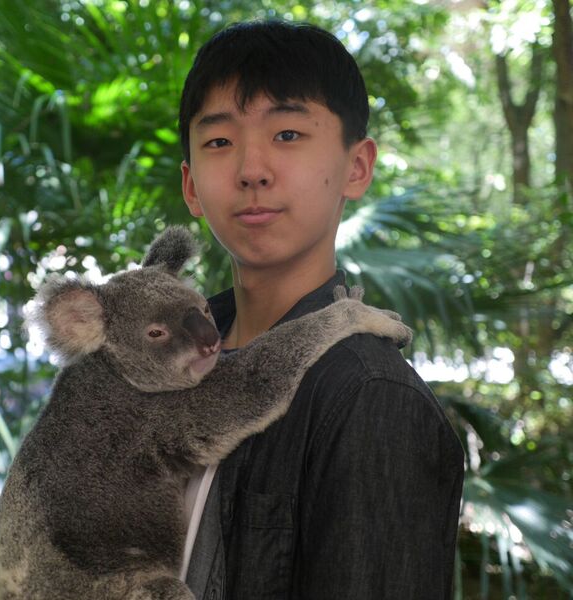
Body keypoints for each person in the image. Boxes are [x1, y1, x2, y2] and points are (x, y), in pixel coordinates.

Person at [176, 20, 465, 600]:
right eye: (219, 141)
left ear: (357, 167)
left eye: (287, 134)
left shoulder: (369, 397)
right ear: (190, 187)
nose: (251, 170)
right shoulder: (168, 360)